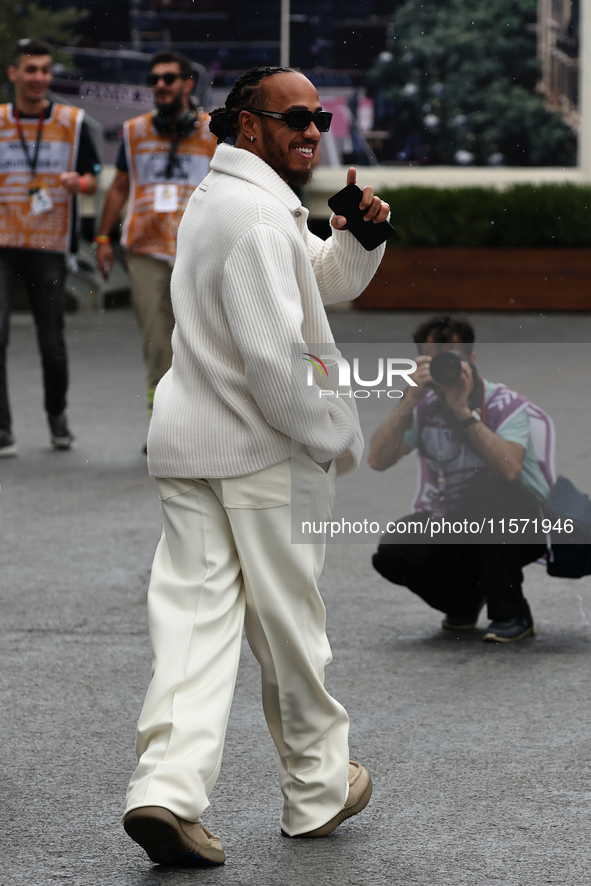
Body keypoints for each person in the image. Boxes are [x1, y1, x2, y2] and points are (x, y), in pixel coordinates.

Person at [121, 65, 390, 867]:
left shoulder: (228, 201)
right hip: (263, 455)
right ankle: (315, 791)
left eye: (319, 117)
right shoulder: (259, 218)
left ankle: (164, 793)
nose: (311, 131)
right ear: (246, 127)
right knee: (290, 632)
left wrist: (356, 236)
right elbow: (280, 362)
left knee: (193, 634)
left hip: (190, 446)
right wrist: (333, 433)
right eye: (292, 118)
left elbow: (317, 280)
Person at [369, 314, 552, 643]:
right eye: (434, 361)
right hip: (458, 524)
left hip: (521, 526)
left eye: (452, 359)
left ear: (472, 359)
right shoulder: (422, 405)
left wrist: (462, 413)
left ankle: (512, 613)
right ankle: (465, 599)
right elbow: (377, 460)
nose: (445, 369)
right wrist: (408, 398)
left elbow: (510, 468)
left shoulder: (503, 404)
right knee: (394, 550)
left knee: (486, 490)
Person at [95, 51, 217, 419]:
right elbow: (119, 187)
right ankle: (163, 423)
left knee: (200, 341)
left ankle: (202, 421)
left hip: (195, 249)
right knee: (156, 342)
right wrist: (102, 238)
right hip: (145, 251)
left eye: (169, 78)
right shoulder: (134, 131)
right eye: (155, 80)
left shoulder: (213, 131)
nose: (160, 85)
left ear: (188, 84)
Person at [0, 39, 100, 456]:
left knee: (52, 341)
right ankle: (2, 429)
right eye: (31, 70)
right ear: (14, 75)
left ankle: (57, 417)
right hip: (3, 242)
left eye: (44, 70)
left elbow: (94, 174)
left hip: (49, 243)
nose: (39, 77)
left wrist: (81, 183)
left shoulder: (71, 121)